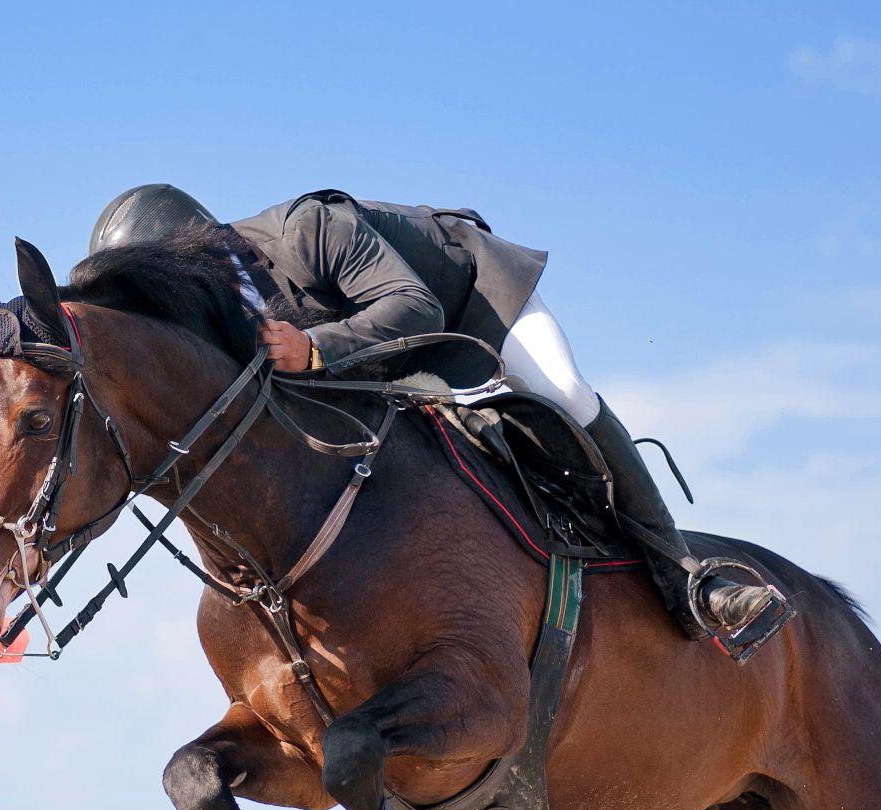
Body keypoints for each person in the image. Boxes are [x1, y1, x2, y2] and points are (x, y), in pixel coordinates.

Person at [87, 185, 790, 659]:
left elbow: (415, 309)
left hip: (470, 305)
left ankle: (692, 579)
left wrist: (314, 348)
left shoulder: (308, 230)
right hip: (395, 364)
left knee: (566, 394)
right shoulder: (223, 325)